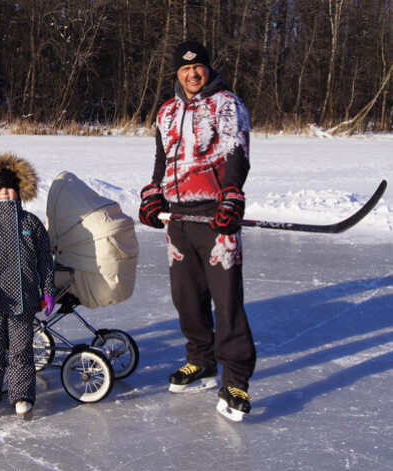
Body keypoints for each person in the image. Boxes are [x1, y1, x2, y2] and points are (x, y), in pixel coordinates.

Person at [139, 40, 256, 422]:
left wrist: (232, 196)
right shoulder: (167, 112)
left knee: (226, 302)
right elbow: (161, 160)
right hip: (178, 219)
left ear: (207, 68)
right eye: (185, 69)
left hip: (215, 216)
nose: (192, 74)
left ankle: (236, 378)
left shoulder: (226, 105)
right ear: (177, 73)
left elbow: (236, 154)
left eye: (198, 67)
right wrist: (153, 194)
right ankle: (200, 361)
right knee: (185, 298)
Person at [0, 153, 56, 419]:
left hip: (24, 299)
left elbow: (44, 261)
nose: (5, 194)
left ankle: (21, 395)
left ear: (18, 192)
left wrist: (48, 289)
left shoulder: (30, 223)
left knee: (20, 349)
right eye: (0, 190)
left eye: (10, 189)